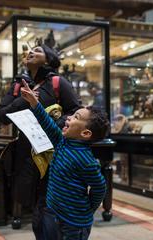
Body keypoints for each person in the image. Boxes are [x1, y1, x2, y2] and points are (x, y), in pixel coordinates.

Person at [0, 41, 81, 230]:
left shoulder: (58, 82)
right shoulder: (19, 84)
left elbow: (76, 110)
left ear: (48, 59)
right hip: (26, 150)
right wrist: (24, 99)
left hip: (52, 150)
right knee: (28, 196)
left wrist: (52, 125)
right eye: (29, 51)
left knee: (50, 200)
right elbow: (2, 115)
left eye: (37, 50)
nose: (30, 52)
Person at [20, 79, 109, 240]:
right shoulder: (63, 142)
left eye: (76, 117)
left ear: (85, 133)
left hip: (74, 224)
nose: (68, 118)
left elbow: (100, 187)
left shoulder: (86, 160)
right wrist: (34, 102)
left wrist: (89, 209)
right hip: (55, 212)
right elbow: (48, 124)